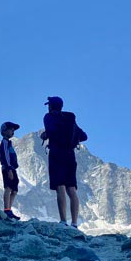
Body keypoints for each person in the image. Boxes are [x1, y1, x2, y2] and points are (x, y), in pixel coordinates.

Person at [40, 96, 87, 228]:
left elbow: (51, 131)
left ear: (51, 106)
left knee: (60, 186)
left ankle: (63, 221)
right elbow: (83, 136)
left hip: (56, 154)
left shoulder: (48, 117)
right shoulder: (70, 119)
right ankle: (74, 223)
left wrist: (45, 135)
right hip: (70, 155)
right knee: (71, 189)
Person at [0, 121, 21, 220]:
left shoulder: (9, 143)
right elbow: (5, 155)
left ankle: (9, 209)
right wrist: (8, 168)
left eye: (13, 130)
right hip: (8, 168)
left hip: (12, 168)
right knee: (8, 188)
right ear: (4, 131)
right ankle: (6, 210)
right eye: (10, 129)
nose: (13, 131)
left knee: (14, 190)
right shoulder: (4, 142)